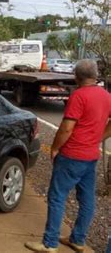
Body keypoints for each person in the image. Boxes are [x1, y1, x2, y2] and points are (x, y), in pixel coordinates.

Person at [25, 59, 111, 252]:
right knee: (87, 199)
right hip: (90, 157)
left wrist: (55, 148)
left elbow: (66, 128)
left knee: (57, 197)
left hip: (72, 155)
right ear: (96, 75)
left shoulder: (79, 96)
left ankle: (50, 243)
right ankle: (78, 239)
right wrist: (98, 138)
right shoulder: (106, 96)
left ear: (76, 76)